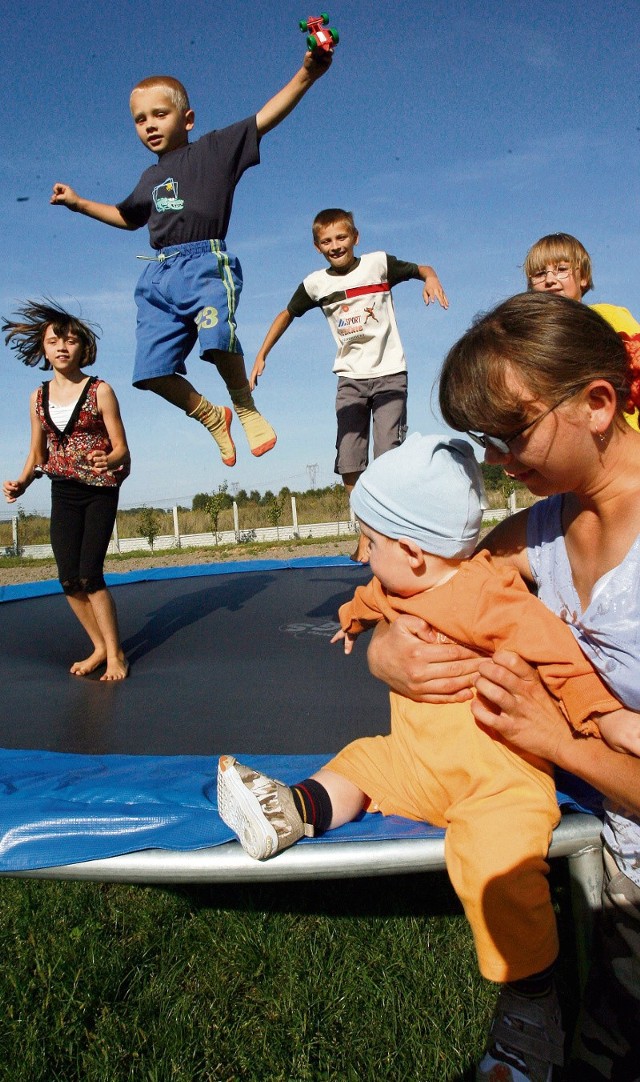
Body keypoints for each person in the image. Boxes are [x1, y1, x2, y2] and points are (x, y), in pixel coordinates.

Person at [217, 428, 632, 1082]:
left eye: (369, 543)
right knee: (360, 761)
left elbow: (563, 658)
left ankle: (532, 996)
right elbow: (370, 597)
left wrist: (603, 715)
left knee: (494, 859)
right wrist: (354, 622)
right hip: (413, 763)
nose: (361, 555)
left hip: (496, 779)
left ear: (410, 551)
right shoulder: (400, 584)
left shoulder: (490, 594)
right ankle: (292, 808)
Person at [367, 292, 640, 1081]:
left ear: (596, 404)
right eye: (485, 440)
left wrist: (556, 740)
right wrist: (389, 649)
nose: (496, 461)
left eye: (512, 433)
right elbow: (436, 589)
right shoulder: (545, 527)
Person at [50, 46, 333, 468]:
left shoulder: (214, 151)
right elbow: (128, 218)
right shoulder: (149, 177)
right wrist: (79, 203)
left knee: (216, 336)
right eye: (140, 119)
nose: (149, 125)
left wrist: (306, 75)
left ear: (187, 119)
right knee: (149, 371)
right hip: (157, 277)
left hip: (203, 264)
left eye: (159, 114)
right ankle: (210, 415)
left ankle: (244, 404)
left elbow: (265, 117)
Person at [249, 207, 449, 561]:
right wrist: (262, 354)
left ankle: (389, 534)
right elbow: (286, 314)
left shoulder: (378, 264)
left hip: (389, 374)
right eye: (326, 241)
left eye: (341, 237)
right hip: (350, 379)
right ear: (317, 247)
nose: (335, 245)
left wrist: (430, 279)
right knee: (351, 460)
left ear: (355, 238)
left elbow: (421, 268)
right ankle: (366, 532)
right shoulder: (316, 284)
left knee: (388, 456)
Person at [3, 301, 130, 681]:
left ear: (82, 348)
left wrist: (110, 460)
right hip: (63, 491)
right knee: (68, 579)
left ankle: (116, 655)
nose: (62, 347)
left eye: (70, 341)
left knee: (90, 575)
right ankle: (100, 646)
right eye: (54, 341)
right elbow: (38, 452)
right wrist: (23, 481)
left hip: (99, 491)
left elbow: (121, 446)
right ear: (43, 348)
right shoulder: (37, 398)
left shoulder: (100, 390)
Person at [524, 232, 640, 431]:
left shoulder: (607, 317)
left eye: (561, 269)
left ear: (583, 277)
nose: (550, 279)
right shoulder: (530, 339)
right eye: (540, 273)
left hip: (622, 434)